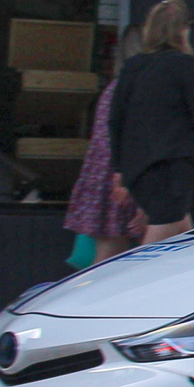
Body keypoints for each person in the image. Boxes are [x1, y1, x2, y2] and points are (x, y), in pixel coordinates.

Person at [108, 0, 194, 243]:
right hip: (174, 165)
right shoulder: (185, 65)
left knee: (182, 233)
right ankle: (137, 281)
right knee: (158, 242)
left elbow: (115, 119)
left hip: (138, 168)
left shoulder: (132, 67)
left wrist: (119, 169)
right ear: (183, 30)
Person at [62, 25, 145, 265]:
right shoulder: (137, 89)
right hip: (124, 177)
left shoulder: (113, 88)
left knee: (108, 257)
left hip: (102, 177)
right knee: (113, 260)